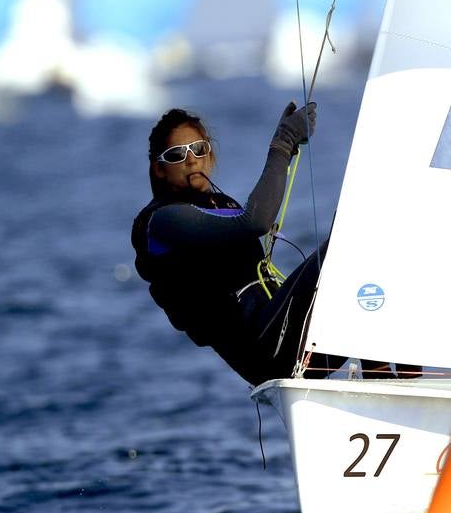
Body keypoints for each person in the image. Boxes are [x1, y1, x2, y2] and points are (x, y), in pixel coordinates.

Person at [132, 103, 407, 386]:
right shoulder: (163, 221)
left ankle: (395, 383)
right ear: (159, 169)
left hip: (291, 339)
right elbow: (257, 221)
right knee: (345, 247)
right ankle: (386, 381)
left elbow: (249, 218)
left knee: (368, 238)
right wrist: (283, 143)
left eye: (199, 149)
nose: (192, 160)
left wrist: (285, 147)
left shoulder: (222, 205)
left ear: (209, 156)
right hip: (266, 353)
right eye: (177, 155)